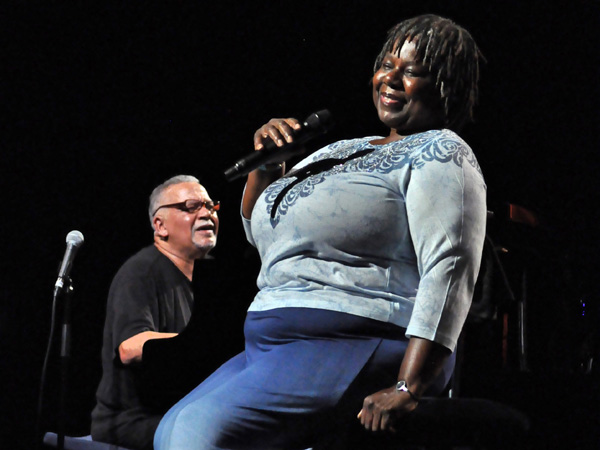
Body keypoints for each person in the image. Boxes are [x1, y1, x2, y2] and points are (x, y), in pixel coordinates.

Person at [155, 14, 487, 450]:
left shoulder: (440, 150)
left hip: (351, 342)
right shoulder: (339, 150)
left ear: (446, 86)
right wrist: (269, 167)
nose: (390, 79)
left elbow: (450, 268)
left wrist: (409, 385)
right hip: (271, 345)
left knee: (193, 434)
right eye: (386, 64)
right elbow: (261, 234)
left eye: (412, 71)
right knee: (170, 430)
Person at [91, 175, 220, 450]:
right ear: (160, 226)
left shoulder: (210, 277)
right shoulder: (140, 272)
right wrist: (196, 345)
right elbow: (130, 347)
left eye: (211, 206)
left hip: (181, 412)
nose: (206, 214)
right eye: (191, 206)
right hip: (133, 421)